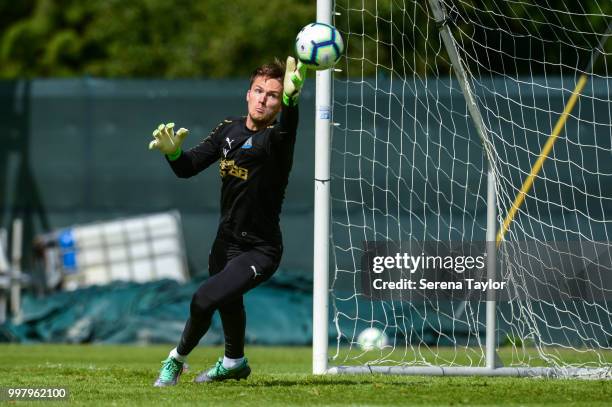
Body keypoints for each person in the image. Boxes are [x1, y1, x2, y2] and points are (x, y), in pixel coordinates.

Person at [148, 56, 307, 386]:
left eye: (273, 95)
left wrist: (292, 100)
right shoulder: (227, 129)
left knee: (203, 299)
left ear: (278, 105)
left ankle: (175, 361)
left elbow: (289, 126)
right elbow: (188, 168)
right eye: (259, 91)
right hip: (225, 242)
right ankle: (234, 362)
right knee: (227, 302)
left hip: (259, 249)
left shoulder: (278, 139)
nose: (264, 98)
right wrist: (174, 153)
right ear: (248, 94)